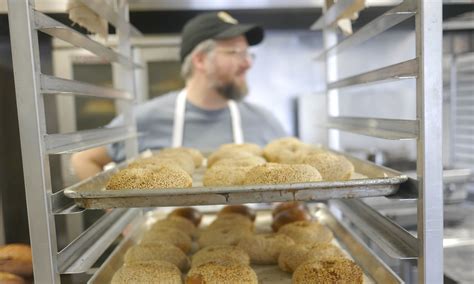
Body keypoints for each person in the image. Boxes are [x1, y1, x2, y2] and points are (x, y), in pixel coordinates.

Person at [71, 11, 286, 179]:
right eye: (234, 52)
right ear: (200, 60)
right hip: (168, 234)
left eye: (248, 53)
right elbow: (83, 159)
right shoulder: (146, 118)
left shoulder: (265, 121)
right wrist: (124, 220)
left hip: (244, 233)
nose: (247, 63)